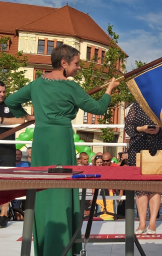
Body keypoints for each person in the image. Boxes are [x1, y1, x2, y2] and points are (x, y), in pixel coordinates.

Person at [5, 44, 119, 255]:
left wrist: (28, 116)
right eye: (76, 64)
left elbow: (11, 100)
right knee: (62, 187)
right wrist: (109, 90)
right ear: (64, 63)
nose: (78, 68)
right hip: (62, 138)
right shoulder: (71, 87)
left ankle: (45, 244)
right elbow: (99, 109)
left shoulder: (37, 84)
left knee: (42, 188)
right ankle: (64, 245)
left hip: (41, 139)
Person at [124, 102, 162, 234]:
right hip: (138, 148)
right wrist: (142, 128)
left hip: (159, 146)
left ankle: (153, 222)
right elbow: (128, 128)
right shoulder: (136, 106)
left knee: (155, 186)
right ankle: (142, 223)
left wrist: (159, 129)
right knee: (140, 187)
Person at [0, 81, 34, 228]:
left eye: (3, 92)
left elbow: (22, 119)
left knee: (6, 182)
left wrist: (2, 121)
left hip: (8, 149)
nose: (2, 95)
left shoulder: (10, 104)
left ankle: (3, 215)